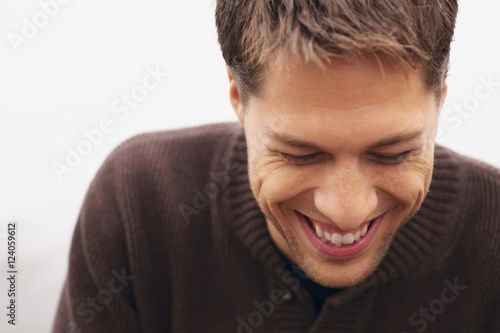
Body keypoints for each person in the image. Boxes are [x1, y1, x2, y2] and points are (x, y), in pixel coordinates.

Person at [53, 1, 500, 332]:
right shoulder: (137, 202)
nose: (346, 210)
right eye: (300, 154)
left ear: (441, 96)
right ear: (237, 97)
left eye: (392, 154)